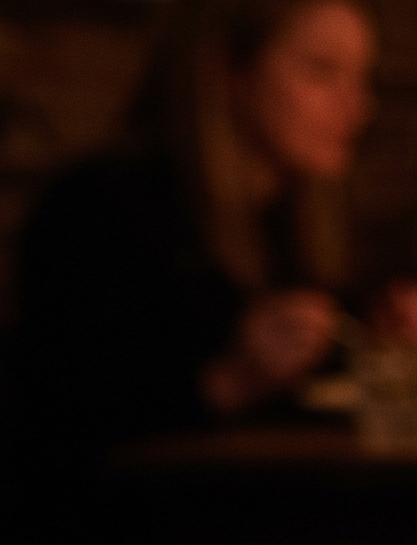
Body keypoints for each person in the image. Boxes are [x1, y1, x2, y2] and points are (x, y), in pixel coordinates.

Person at [8, 0, 384, 460]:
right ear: (227, 70)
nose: (358, 107)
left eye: (361, 77)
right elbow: (59, 424)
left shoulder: (292, 224)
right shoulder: (104, 208)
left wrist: (381, 334)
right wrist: (232, 381)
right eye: (321, 72)